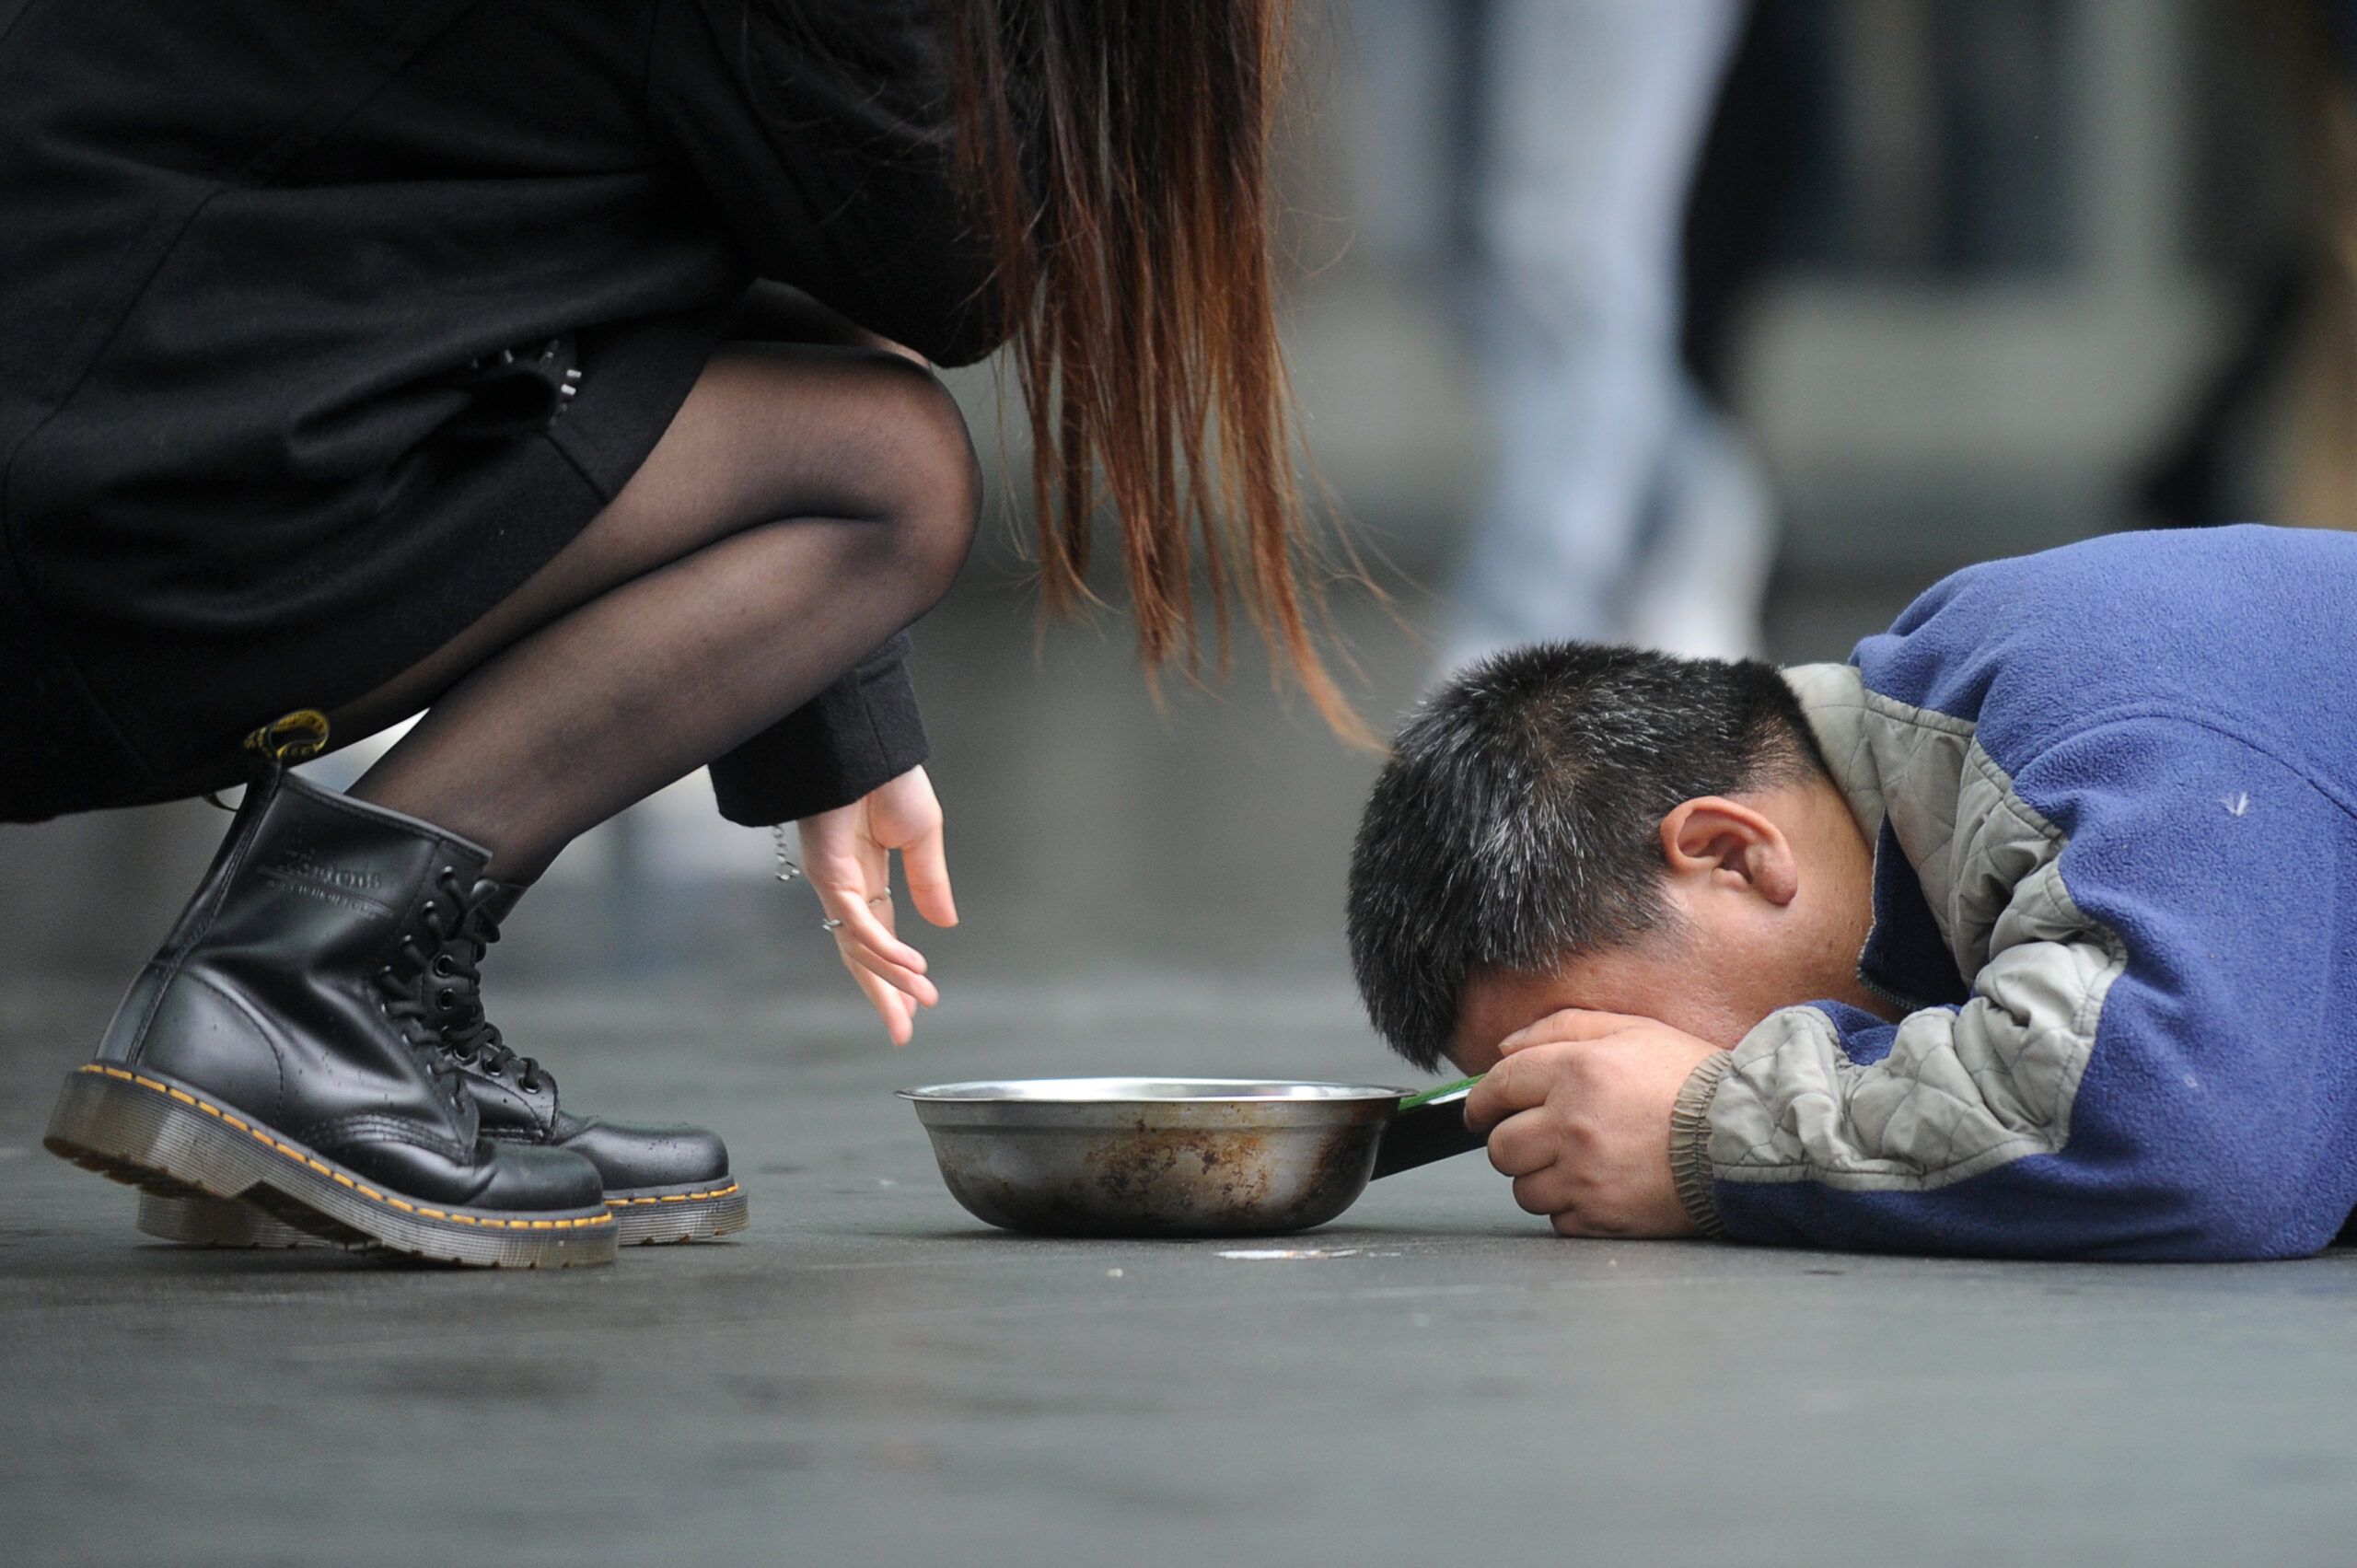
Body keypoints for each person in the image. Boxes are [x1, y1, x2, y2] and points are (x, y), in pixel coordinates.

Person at [7, 0, 1357, 1267]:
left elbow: (707, 180)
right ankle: (301, 990)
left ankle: (321, 1040)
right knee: (889, 470)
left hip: (104, 435)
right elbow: (950, 249)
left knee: (865, 444)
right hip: (94, 495)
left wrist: (828, 691)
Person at [1347, 524, 2357, 1260]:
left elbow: (2182, 1122)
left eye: (1603, 1041)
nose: (1605, 1087)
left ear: (1731, 852)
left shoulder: (2076, 673)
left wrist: (1703, 1124)